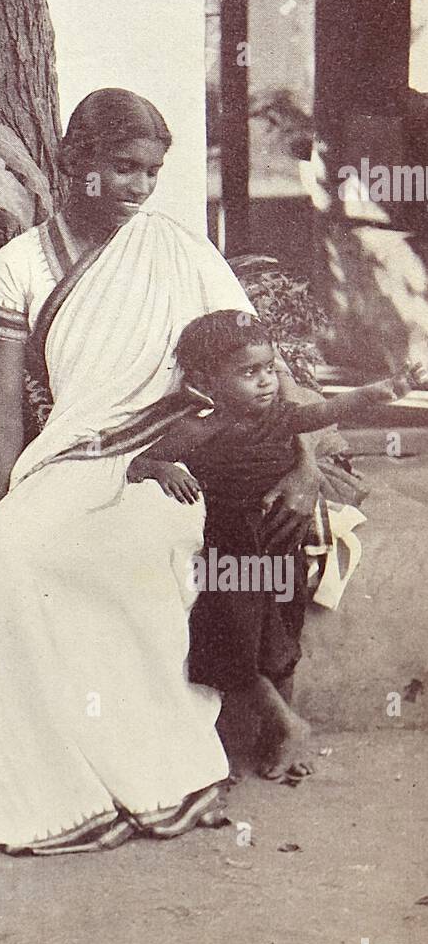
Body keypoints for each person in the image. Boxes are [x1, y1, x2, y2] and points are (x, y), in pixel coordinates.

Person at [0, 88, 323, 855]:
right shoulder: (16, 266)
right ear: (72, 161)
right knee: (22, 551)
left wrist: (306, 466)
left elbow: (268, 373)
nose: (139, 186)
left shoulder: (180, 250)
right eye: (123, 167)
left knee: (138, 545)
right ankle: (49, 786)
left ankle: (160, 769)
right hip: (72, 461)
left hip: (173, 462)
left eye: (152, 171)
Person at [127, 308, 424, 780]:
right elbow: (141, 462)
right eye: (249, 373)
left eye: (269, 369)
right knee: (231, 643)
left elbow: (326, 411)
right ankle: (288, 725)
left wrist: (380, 391)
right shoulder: (199, 428)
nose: (266, 381)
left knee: (282, 639)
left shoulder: (282, 417)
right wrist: (165, 469)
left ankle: (279, 737)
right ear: (206, 379)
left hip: (281, 543)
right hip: (231, 552)